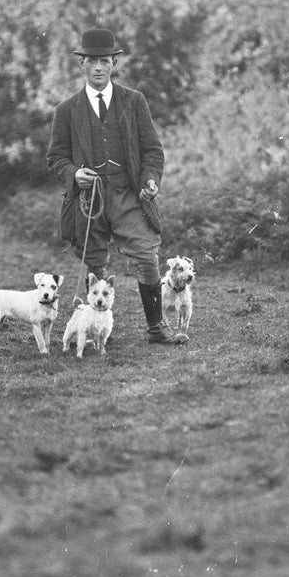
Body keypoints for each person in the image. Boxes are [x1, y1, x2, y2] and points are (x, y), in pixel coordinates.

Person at [47, 28, 187, 346]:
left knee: (147, 254)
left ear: (114, 63)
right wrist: (74, 174)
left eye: (105, 61)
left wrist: (150, 180)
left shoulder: (134, 102)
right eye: (92, 61)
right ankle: (97, 331)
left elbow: (152, 150)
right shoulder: (66, 111)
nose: (98, 68)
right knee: (96, 263)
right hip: (89, 200)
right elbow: (55, 158)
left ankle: (156, 329)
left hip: (128, 195)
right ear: (82, 64)